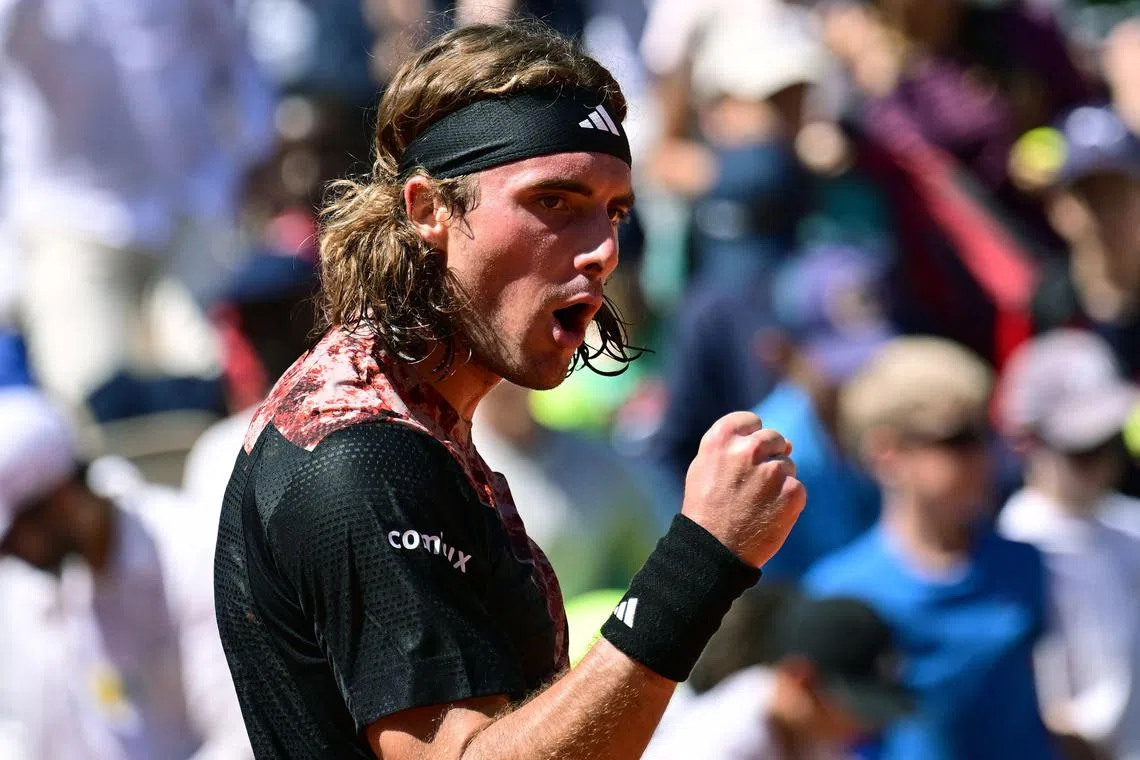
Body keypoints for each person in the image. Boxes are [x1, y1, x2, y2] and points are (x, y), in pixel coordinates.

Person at [213, 22, 806, 760]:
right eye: (554, 202)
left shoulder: (409, 417)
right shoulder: (361, 459)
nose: (602, 251)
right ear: (430, 210)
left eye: (615, 210)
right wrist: (703, 559)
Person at [804, 337, 1058, 760]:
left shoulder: (1023, 563)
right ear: (886, 454)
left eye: (984, 434)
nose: (983, 457)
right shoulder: (839, 596)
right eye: (957, 439)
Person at [0, 387, 251, 759]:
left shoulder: (190, 555)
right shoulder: (52, 587)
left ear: (61, 499)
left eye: (14, 535)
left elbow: (240, 737)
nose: (8, 554)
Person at [996, 329, 1140, 760]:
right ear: (1029, 443)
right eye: (1081, 449)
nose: (1102, 464)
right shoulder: (1015, 545)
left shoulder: (1130, 524)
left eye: (1109, 443)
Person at [749, 247, 890, 581]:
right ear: (782, 351)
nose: (857, 377)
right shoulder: (766, 451)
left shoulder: (877, 419)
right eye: (837, 365)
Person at [643, 588, 913, 760]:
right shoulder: (720, 737)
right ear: (801, 679)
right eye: (856, 707)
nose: (867, 726)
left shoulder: (811, 739)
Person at [471, 381, 662, 599]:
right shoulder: (443, 463)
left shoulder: (599, 464)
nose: (504, 381)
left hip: (589, 627)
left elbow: (658, 569)